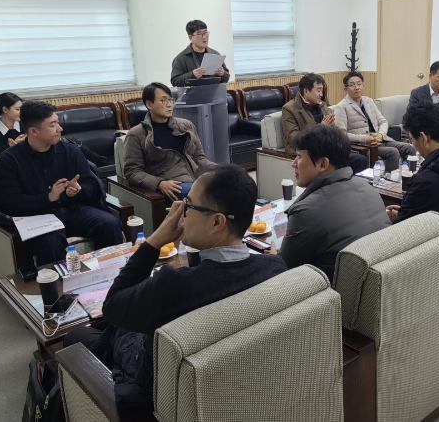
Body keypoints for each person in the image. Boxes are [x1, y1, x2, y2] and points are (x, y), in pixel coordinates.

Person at [64, 164, 287, 411]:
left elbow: (112, 306)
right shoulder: (275, 269)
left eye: (188, 206)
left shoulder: (173, 286)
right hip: (236, 382)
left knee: (78, 336)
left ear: (217, 222)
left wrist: (153, 241)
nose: (180, 214)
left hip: (156, 390)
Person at [0, 101, 123, 265]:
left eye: (58, 122)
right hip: (39, 216)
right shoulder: (10, 159)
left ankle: (112, 274)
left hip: (73, 209)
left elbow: (92, 184)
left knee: (110, 223)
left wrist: (79, 190)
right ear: (33, 131)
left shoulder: (70, 151)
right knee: (50, 241)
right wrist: (48, 197)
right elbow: (10, 201)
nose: (60, 129)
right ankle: (60, 282)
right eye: (53, 125)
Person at [269, 124, 390, 281]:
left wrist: (274, 259)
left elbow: (286, 272)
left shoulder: (306, 211)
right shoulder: (368, 188)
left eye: (299, 156)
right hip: (376, 283)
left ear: (323, 164)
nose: (294, 163)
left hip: (331, 292)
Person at [123, 82, 212, 202]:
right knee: (206, 194)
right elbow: (132, 172)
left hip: (196, 179)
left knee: (232, 182)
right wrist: (159, 183)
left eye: (170, 100)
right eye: (163, 100)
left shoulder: (186, 125)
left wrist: (222, 170)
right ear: (149, 104)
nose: (169, 105)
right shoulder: (136, 134)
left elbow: (199, 158)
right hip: (173, 186)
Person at [281, 73, 367, 174]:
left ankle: (349, 184)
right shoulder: (289, 109)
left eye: (322, 90)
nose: (321, 94)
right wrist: (321, 128)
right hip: (308, 153)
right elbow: (294, 139)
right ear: (306, 91)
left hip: (326, 150)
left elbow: (332, 130)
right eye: (318, 90)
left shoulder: (322, 105)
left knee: (360, 160)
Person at [334, 71, 415, 172]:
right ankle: (389, 180)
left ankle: (409, 177)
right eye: (352, 85)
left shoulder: (369, 101)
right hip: (365, 145)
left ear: (363, 86)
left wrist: (380, 134)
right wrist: (365, 139)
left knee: (409, 148)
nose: (357, 87)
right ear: (345, 89)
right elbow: (341, 134)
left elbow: (383, 121)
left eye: (359, 84)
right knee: (392, 152)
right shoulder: (341, 107)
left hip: (381, 140)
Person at [171, 20, 230, 87]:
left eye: (205, 33)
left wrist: (223, 73)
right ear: (191, 38)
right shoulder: (181, 58)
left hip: (214, 93)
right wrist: (192, 75)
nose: (204, 37)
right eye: (199, 34)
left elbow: (227, 77)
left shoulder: (215, 54)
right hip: (192, 93)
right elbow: (175, 81)